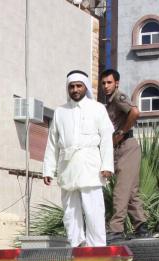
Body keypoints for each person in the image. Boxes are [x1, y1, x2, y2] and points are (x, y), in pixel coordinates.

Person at [43, 70, 114, 247]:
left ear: (85, 87)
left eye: (78, 86)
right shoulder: (60, 112)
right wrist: (48, 169)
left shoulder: (98, 109)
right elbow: (52, 143)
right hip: (67, 166)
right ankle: (76, 244)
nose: (75, 90)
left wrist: (107, 165)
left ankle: (97, 246)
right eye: (72, 86)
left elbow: (106, 139)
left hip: (91, 165)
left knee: (93, 209)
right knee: (70, 210)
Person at [100, 68, 150, 242]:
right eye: (104, 83)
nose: (106, 86)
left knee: (121, 190)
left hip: (127, 146)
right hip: (120, 149)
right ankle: (141, 227)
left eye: (109, 82)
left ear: (117, 83)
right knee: (131, 192)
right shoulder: (109, 103)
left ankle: (116, 229)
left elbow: (135, 112)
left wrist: (122, 131)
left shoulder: (119, 98)